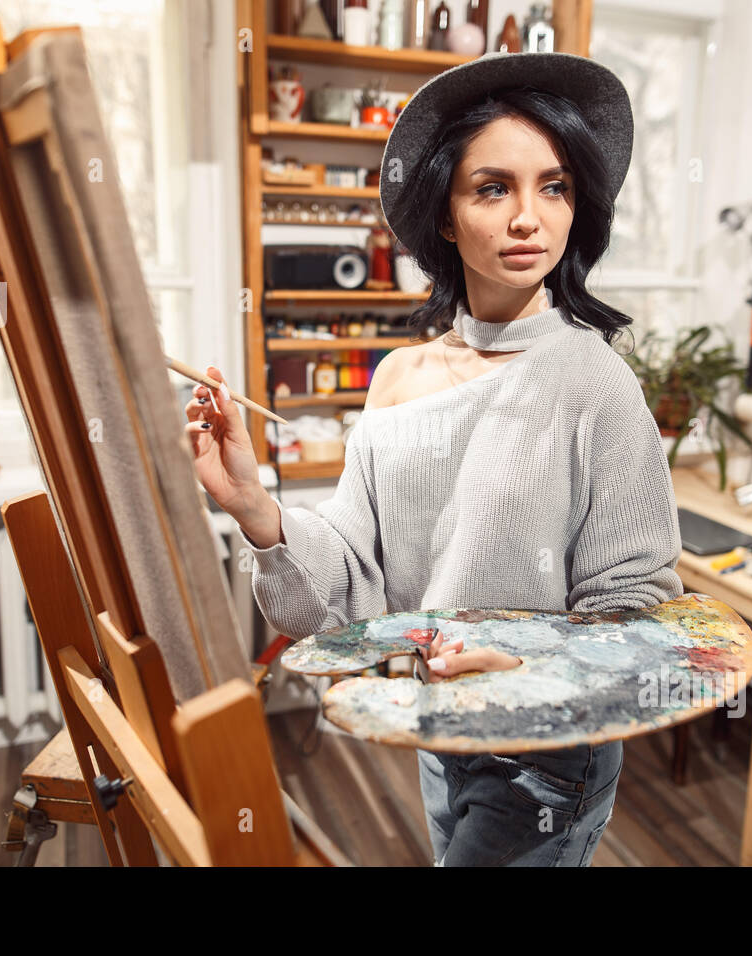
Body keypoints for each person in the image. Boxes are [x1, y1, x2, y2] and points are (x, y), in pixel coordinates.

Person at [186, 52, 683, 866]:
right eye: (494, 188)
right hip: (437, 724)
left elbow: (636, 605)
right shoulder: (397, 379)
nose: (529, 217)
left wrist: (525, 661)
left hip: (547, 745)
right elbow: (350, 587)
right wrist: (255, 508)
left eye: (552, 187)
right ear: (446, 217)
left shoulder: (595, 382)